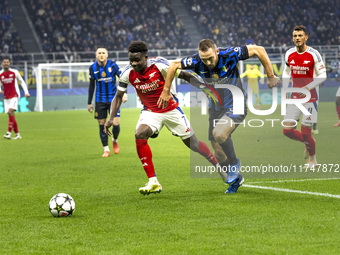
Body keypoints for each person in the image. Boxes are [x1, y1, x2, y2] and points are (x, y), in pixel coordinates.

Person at [159, 39, 278, 193]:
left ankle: (235, 163)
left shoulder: (229, 54)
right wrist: (166, 90)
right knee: (218, 151)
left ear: (216, 52)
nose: (208, 63)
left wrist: (270, 75)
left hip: (236, 103)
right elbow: (174, 65)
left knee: (219, 134)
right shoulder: (196, 61)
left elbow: (259, 49)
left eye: (210, 58)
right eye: (204, 59)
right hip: (215, 107)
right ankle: (236, 180)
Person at [104, 41, 219, 195]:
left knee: (194, 145)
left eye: (137, 60)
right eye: (131, 60)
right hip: (150, 112)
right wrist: (111, 118)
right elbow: (118, 96)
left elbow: (184, 74)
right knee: (140, 133)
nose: (133, 63)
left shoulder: (160, 65)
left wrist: (205, 89)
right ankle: (153, 181)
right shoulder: (127, 73)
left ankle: (219, 165)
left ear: (146, 57)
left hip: (171, 110)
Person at [282, 25, 327, 168]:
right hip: (295, 97)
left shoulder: (314, 54)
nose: (297, 38)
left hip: (311, 98)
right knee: (287, 130)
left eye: (300, 35)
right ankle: (307, 144)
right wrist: (285, 87)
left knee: (306, 131)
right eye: (295, 36)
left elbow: (323, 75)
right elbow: (286, 71)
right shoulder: (289, 53)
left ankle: (313, 160)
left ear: (306, 37)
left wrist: (308, 87)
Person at [88, 48, 127, 158]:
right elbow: (91, 85)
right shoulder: (92, 68)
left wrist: (124, 93)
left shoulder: (113, 65)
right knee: (102, 125)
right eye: (99, 53)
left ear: (107, 55)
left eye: (103, 53)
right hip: (100, 100)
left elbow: (123, 79)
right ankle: (106, 149)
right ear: (96, 55)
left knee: (116, 123)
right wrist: (89, 102)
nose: (101, 55)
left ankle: (114, 139)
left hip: (114, 100)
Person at [0, 57, 30, 139]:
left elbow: (22, 81)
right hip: (6, 97)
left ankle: (8, 133)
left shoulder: (14, 72)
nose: (6, 63)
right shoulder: (0, 74)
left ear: (9, 64)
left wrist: (26, 92)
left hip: (15, 95)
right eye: (4, 62)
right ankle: (17, 134)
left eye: (7, 62)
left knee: (10, 112)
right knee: (11, 115)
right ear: (2, 64)